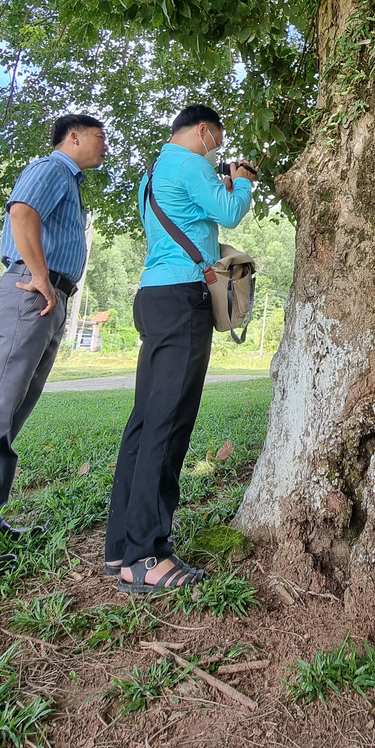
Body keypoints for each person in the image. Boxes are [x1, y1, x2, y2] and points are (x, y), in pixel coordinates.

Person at [105, 104, 255, 595]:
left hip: (152, 296)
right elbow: (229, 212)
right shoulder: (191, 163)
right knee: (168, 426)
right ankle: (147, 556)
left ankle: (121, 551)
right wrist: (243, 179)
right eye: (217, 140)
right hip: (183, 298)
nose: (217, 150)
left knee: (145, 421)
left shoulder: (151, 174)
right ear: (204, 130)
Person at [0, 114, 108, 572]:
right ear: (73, 138)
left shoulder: (70, 183)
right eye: (98, 136)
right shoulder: (52, 170)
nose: (104, 145)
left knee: (9, 416)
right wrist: (37, 276)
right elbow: (21, 213)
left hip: (49, 300)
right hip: (30, 295)